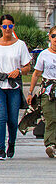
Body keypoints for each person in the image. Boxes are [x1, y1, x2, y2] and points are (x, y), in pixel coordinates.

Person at [0, 14, 31, 160]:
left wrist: (19, 71)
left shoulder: (20, 45)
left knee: (13, 119)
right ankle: (0, 149)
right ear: (0, 27)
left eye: (10, 26)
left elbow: (27, 66)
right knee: (1, 117)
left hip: (13, 86)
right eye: (4, 26)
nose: (7, 29)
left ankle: (12, 143)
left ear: (13, 27)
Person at [26, 25, 56, 158]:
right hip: (48, 91)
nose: (55, 39)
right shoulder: (44, 54)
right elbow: (36, 74)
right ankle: (50, 144)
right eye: (53, 36)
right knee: (51, 118)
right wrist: (30, 92)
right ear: (49, 37)